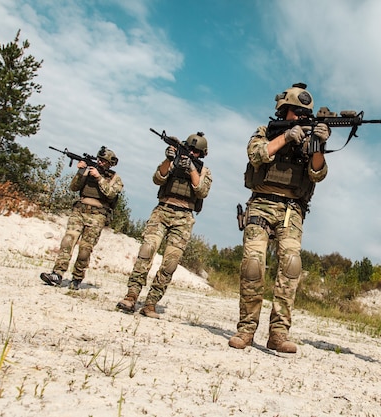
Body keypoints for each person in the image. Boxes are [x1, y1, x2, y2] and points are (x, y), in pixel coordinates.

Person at [228, 83, 331, 353]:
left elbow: (317, 173)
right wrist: (287, 138)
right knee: (252, 264)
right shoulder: (265, 132)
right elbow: (256, 155)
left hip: (292, 209)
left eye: (304, 114)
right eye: (295, 112)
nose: (300, 118)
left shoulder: (310, 140)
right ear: (283, 111)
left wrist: (318, 144)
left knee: (291, 267)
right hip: (261, 203)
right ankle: (246, 329)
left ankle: (278, 333)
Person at [116, 132, 212, 319]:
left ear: (202, 154)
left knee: (170, 262)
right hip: (162, 210)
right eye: (189, 149)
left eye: (196, 152)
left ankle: (151, 303)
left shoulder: (204, 171)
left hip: (183, 218)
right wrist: (168, 160)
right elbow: (158, 179)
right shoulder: (173, 162)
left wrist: (192, 169)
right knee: (146, 251)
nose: (192, 153)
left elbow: (202, 191)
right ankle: (131, 295)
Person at [40, 146, 123, 290]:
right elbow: (73, 187)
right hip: (79, 210)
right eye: (99, 160)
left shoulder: (115, 178)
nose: (100, 163)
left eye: (104, 161)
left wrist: (98, 178)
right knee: (68, 240)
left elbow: (111, 194)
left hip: (97, 215)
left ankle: (77, 278)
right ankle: (57, 274)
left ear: (110, 163)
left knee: (85, 249)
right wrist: (80, 172)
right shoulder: (87, 172)